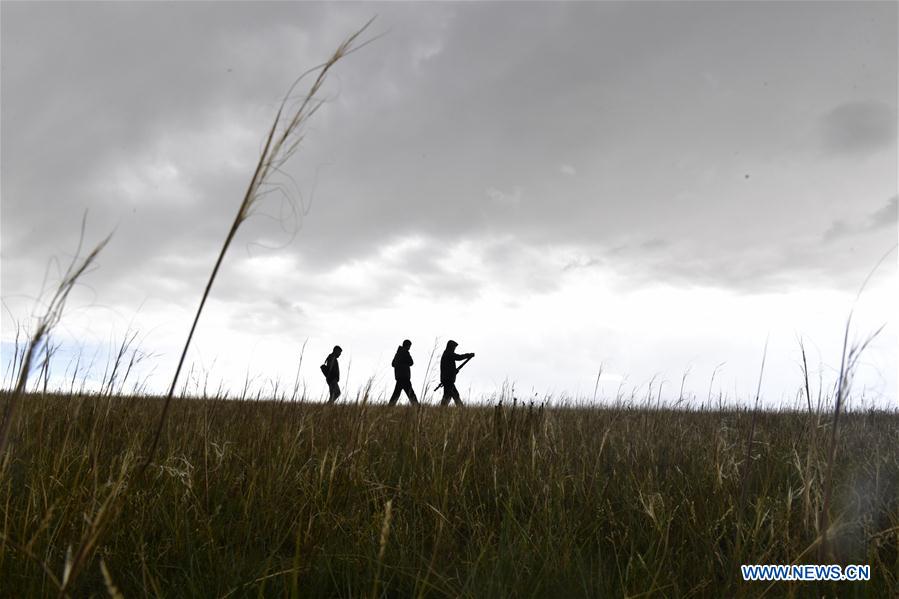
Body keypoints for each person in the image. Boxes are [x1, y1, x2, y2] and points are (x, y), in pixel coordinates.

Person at [439, 340, 474, 407]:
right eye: (454, 347)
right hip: (448, 379)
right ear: (451, 347)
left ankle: (442, 409)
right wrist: (468, 355)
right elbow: (459, 357)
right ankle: (461, 409)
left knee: (448, 396)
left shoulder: (446, 354)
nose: (454, 349)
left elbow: (448, 368)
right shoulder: (448, 353)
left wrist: (454, 371)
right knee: (453, 395)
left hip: (447, 379)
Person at [388, 339, 419, 406]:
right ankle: (417, 406)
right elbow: (411, 362)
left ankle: (390, 406)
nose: (410, 348)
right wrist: (404, 364)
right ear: (407, 346)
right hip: (405, 376)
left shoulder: (398, 353)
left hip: (399, 376)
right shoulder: (406, 352)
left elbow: (393, 364)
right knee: (410, 393)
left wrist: (399, 365)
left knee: (396, 393)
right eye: (409, 346)